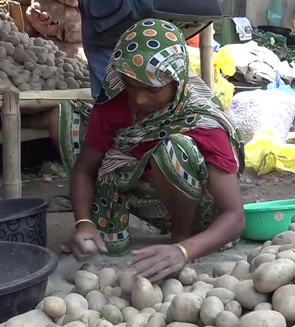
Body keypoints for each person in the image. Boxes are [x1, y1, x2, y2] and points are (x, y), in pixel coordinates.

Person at [48, 19, 246, 282]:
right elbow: (85, 170)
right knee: (67, 119)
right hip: (143, 194)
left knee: (173, 149)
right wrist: (83, 222)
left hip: (201, 213)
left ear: (176, 79)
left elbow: (235, 215)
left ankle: (182, 235)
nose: (140, 99)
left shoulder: (202, 119)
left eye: (153, 89)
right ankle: (102, 228)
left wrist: (184, 251)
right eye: (132, 85)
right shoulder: (115, 105)